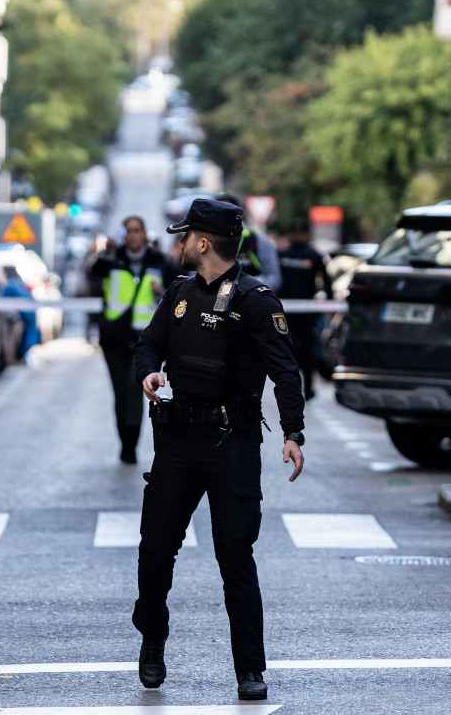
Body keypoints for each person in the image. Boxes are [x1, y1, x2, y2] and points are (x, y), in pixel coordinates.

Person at [131, 198, 305, 701]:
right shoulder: (179, 293)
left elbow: (284, 371)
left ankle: (250, 670)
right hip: (179, 442)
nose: (179, 243)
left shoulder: (256, 300)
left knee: (235, 554)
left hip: (232, 442)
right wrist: (149, 372)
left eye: (184, 236)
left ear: (203, 243)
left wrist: (292, 433)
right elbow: (147, 345)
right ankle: (152, 642)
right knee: (156, 549)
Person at [88, 216, 165, 463]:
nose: (132, 235)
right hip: (114, 337)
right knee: (120, 394)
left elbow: (175, 293)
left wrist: (160, 293)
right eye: (128, 231)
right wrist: (106, 253)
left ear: (144, 234)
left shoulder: (159, 261)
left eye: (136, 230)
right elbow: (93, 272)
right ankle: (124, 439)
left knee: (135, 391)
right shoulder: (113, 258)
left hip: (144, 339)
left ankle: (130, 446)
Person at [277, 218, 332, 400]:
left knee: (293, 351)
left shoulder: (285, 255)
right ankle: (303, 390)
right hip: (297, 311)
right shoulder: (311, 255)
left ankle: (300, 389)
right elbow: (327, 282)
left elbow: (326, 281)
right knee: (302, 352)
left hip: (294, 312)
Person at [214, 192, 281, 292]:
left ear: (238, 214)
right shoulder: (207, 242)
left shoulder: (258, 241)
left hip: (250, 303)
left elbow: (274, 277)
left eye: (228, 212)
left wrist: (251, 292)